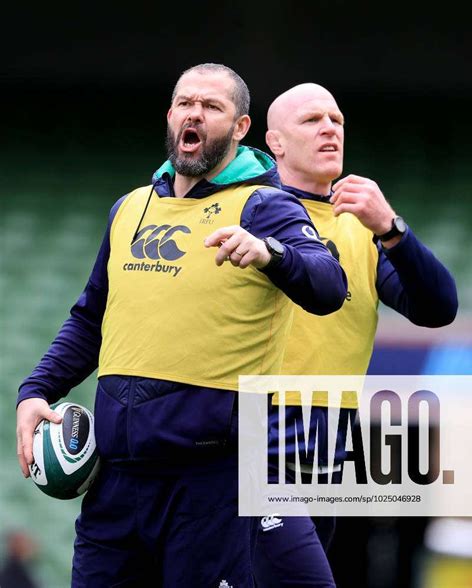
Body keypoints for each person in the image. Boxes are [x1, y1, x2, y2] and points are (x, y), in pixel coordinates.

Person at [15, 65, 348, 588]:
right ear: (170, 116)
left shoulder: (266, 205)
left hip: (211, 487)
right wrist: (36, 390)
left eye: (212, 107)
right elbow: (90, 318)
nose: (195, 113)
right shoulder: (129, 208)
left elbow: (330, 286)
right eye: (185, 103)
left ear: (240, 128)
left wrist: (270, 253)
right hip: (117, 482)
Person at [253, 83, 458, 587]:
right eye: (312, 120)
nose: (330, 128)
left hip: (327, 447)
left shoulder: (361, 229)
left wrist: (392, 228)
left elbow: (438, 308)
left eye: (337, 119)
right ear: (274, 142)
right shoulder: (249, 209)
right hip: (257, 434)